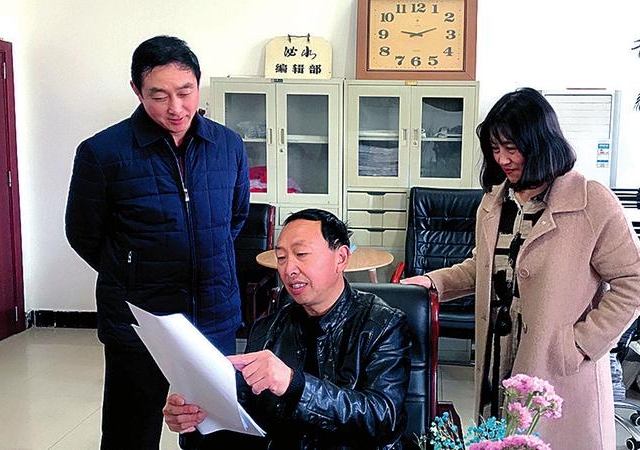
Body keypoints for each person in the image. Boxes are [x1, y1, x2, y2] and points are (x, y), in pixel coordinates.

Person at [401, 88, 640, 449]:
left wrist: (581, 343)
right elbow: (483, 268)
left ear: (541, 143)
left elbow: (634, 282)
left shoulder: (591, 201)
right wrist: (432, 282)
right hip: (497, 357)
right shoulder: (494, 202)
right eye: (494, 148)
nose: (502, 159)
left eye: (512, 148)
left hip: (558, 366)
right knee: (504, 439)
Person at [65, 35, 250, 449]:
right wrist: (132, 269)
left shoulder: (228, 146)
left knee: (212, 430)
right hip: (140, 320)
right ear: (137, 90)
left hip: (212, 314)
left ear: (198, 83)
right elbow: (83, 234)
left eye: (185, 92)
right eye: (159, 95)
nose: (176, 108)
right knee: (130, 433)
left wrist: (204, 257)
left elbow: (235, 218)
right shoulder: (102, 152)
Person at [163, 208, 411, 449]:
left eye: (301, 254)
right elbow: (247, 421)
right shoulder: (267, 328)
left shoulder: (383, 324)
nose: (289, 269)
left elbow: (383, 418)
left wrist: (295, 384)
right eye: (281, 258)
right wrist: (196, 421)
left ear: (341, 258)